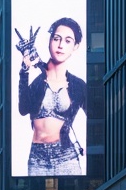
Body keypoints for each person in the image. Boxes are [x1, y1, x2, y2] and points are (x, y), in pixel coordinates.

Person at [15, 18, 87, 176]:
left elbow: (97, 117)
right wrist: (24, 69)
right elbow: (23, 109)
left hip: (66, 157)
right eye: (56, 39)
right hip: (38, 157)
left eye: (68, 41)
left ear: (76, 46)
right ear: (49, 41)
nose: (61, 45)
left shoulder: (78, 85)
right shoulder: (38, 82)